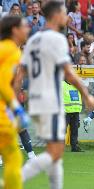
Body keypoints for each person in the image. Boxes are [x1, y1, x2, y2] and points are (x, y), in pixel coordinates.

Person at [19, 2, 94, 189]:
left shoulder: (34, 39)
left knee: (56, 152)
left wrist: (15, 97)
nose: (66, 18)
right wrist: (86, 94)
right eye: (64, 14)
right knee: (54, 152)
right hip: (49, 100)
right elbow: (68, 72)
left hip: (37, 99)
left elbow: (21, 72)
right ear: (55, 15)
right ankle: (12, 181)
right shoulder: (57, 39)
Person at [0, 15, 30, 189]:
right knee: (13, 157)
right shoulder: (12, 51)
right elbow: (3, 83)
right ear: (14, 30)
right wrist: (16, 108)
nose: (27, 29)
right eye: (24, 26)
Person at [63, 81, 83, 152]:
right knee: (62, 130)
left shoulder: (76, 84)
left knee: (75, 130)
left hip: (76, 111)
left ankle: (74, 147)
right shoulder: (61, 84)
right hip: (65, 112)